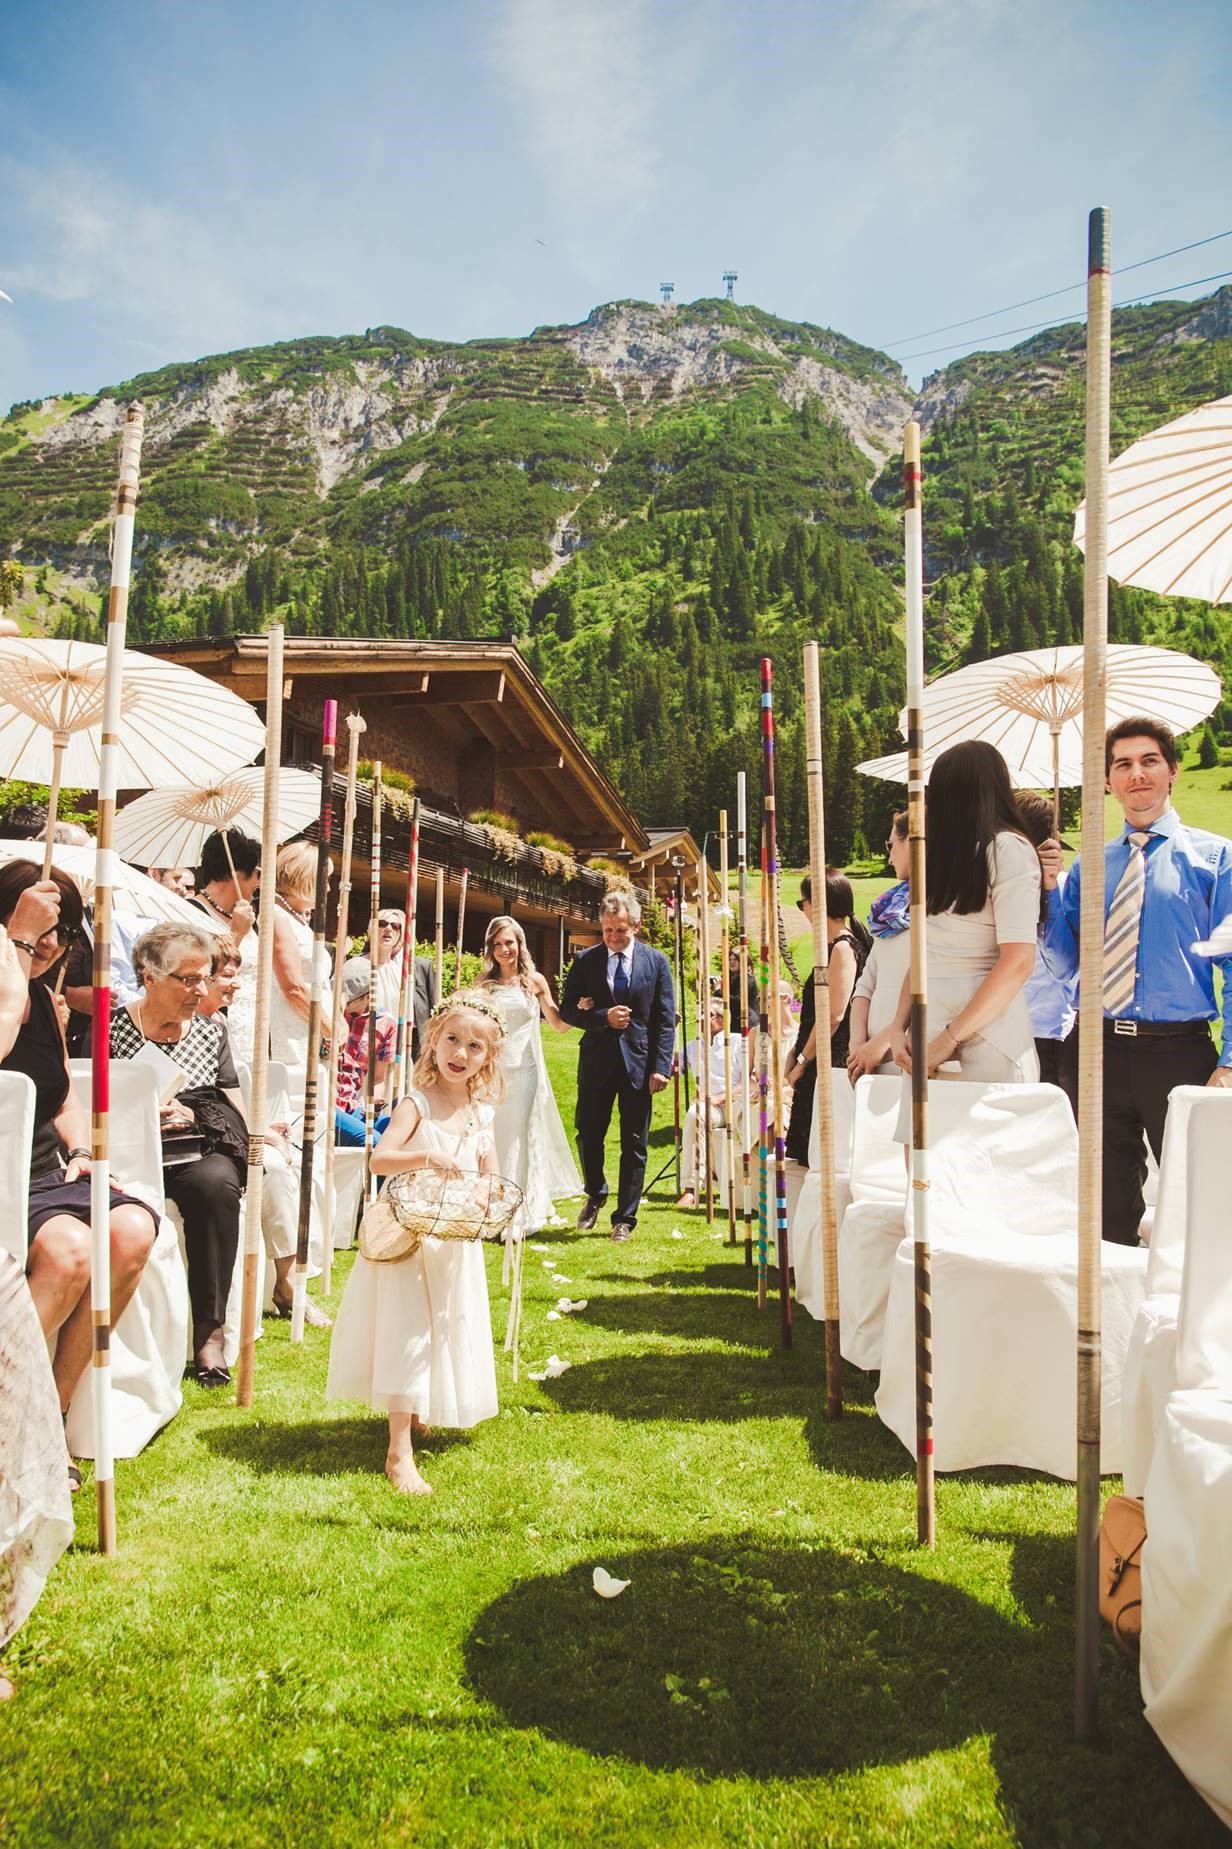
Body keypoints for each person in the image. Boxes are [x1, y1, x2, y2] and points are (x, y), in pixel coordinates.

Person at [1040, 717, 1232, 1245]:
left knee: (1203, 1199)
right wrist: (1052, 888)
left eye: (1149, 761)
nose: (1136, 774)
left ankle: (1199, 1322)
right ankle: (1112, 1320)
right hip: (1094, 1050)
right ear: (1107, 781)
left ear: (1171, 771)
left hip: (1180, 1053)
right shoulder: (1090, 866)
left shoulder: (1215, 858)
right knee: (1104, 1205)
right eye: (1123, 764)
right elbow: (1065, 962)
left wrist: (1231, 1059)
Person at [0, 865, 157, 1467]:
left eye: (58, 931)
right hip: (4, 1180)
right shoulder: (15, 989)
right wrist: (15, 947)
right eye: (35, 925)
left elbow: (58, 1095)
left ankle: (52, 1415)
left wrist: (86, 1152)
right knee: (69, 1250)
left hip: (42, 1167)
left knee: (130, 1230)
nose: (47, 945)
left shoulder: (40, 996)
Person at [326, 992, 505, 1495]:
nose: (460, 1053)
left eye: (474, 1046)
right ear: (433, 1040)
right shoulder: (416, 1102)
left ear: (487, 1058)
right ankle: (397, 1451)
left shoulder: (480, 1112)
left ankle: (421, 1407)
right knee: (408, 1330)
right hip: (411, 1234)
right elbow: (380, 1160)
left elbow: (488, 1172)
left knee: (442, 1324)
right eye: (453, 1039)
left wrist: (491, 1195)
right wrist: (425, 1157)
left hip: (454, 1238)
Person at [110, 922, 248, 1386]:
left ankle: (210, 1334)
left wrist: (191, 1113)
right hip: (125, 1152)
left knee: (216, 1186)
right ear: (149, 977)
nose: (200, 989)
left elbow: (231, 1106)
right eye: (187, 979)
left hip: (191, 1152)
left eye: (205, 977)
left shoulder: (211, 1034)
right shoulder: (110, 1029)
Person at [888, 741, 1042, 1083]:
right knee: (925, 1136)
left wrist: (948, 1038)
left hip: (987, 1030)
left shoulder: (1007, 851)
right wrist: (897, 1027)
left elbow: (1018, 961)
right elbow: (924, 954)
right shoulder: (940, 858)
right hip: (929, 1033)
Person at [196, 948, 330, 1327]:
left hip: (233, 1130)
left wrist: (262, 1130)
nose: (236, 983)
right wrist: (254, 1134)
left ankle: (290, 1280)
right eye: (226, 975)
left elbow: (233, 1093)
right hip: (203, 1141)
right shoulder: (185, 1025)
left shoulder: (219, 1024)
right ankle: (285, 1284)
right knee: (270, 1164)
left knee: (289, 1162)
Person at [560, 891, 675, 1243]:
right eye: (608, 930)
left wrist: (661, 1067)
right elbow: (568, 1011)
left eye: (620, 930)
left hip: (639, 1065)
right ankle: (595, 1193)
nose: (613, 937)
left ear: (636, 927)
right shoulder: (586, 961)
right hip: (596, 1062)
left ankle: (625, 1217)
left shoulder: (656, 962)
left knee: (634, 1142)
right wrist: (601, 1017)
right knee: (588, 1134)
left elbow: (665, 1019)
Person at [475, 915, 581, 1232]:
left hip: (524, 1071)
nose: (503, 949)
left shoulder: (534, 982)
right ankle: (490, 1207)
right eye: (497, 944)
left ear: (519, 944)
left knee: (518, 1136)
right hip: (492, 1072)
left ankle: (517, 1210)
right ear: (491, 949)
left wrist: (583, 1011)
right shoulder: (483, 983)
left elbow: (559, 1024)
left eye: (509, 942)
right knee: (491, 1137)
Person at [784, 873, 870, 1166]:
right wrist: (796, 1051)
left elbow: (833, 1015)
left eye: (802, 903)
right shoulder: (829, 951)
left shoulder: (844, 949)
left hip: (830, 1062)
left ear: (816, 905)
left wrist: (802, 1060)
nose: (803, 911)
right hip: (818, 1058)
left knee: (823, 1154)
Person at [1013, 792, 1077, 1087]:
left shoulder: (1063, 889)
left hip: (1047, 1036)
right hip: (1005, 1032)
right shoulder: (999, 889)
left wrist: (1047, 886)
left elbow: (1068, 969)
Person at [847, 813, 912, 1081]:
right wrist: (857, 1043)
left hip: (907, 1053)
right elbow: (866, 984)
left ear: (912, 842)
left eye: (890, 844)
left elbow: (935, 990)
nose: (889, 857)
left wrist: (881, 1044)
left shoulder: (943, 912)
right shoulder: (887, 915)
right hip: (870, 1062)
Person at [190, 828, 261, 1062]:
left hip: (253, 1034)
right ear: (236, 873)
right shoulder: (190, 913)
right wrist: (236, 934)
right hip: (209, 1032)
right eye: (257, 874)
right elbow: (198, 973)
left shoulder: (250, 918)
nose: (259, 883)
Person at [269, 841, 333, 1069]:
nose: (327, 889)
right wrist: (330, 1028)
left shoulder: (295, 919)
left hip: (312, 1028)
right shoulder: (276, 916)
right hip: (292, 1031)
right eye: (324, 880)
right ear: (306, 878)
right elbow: (293, 987)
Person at [345, 907, 436, 1065]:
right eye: (382, 924)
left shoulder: (400, 973)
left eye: (395, 926)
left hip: (394, 1050)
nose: (388, 929)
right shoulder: (356, 965)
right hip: (361, 1049)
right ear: (372, 929)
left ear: (400, 935)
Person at [677, 996, 744, 1209]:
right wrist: (672, 1029)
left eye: (710, 1014)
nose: (702, 1017)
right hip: (706, 1108)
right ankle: (692, 1186)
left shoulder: (736, 1043)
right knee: (696, 1114)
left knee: (697, 1113)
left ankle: (692, 1188)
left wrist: (721, 1098)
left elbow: (749, 1082)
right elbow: (671, 1066)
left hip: (732, 1106)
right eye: (701, 1013)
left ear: (723, 1021)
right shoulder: (693, 1046)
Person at [334, 962, 395, 1146]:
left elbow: (378, 1077)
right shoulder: (331, 1013)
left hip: (351, 1105)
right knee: (374, 1143)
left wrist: (372, 1103)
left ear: (367, 997)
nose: (345, 1004)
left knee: (396, 1129)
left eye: (350, 1001)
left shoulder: (385, 1024)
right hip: (328, 1103)